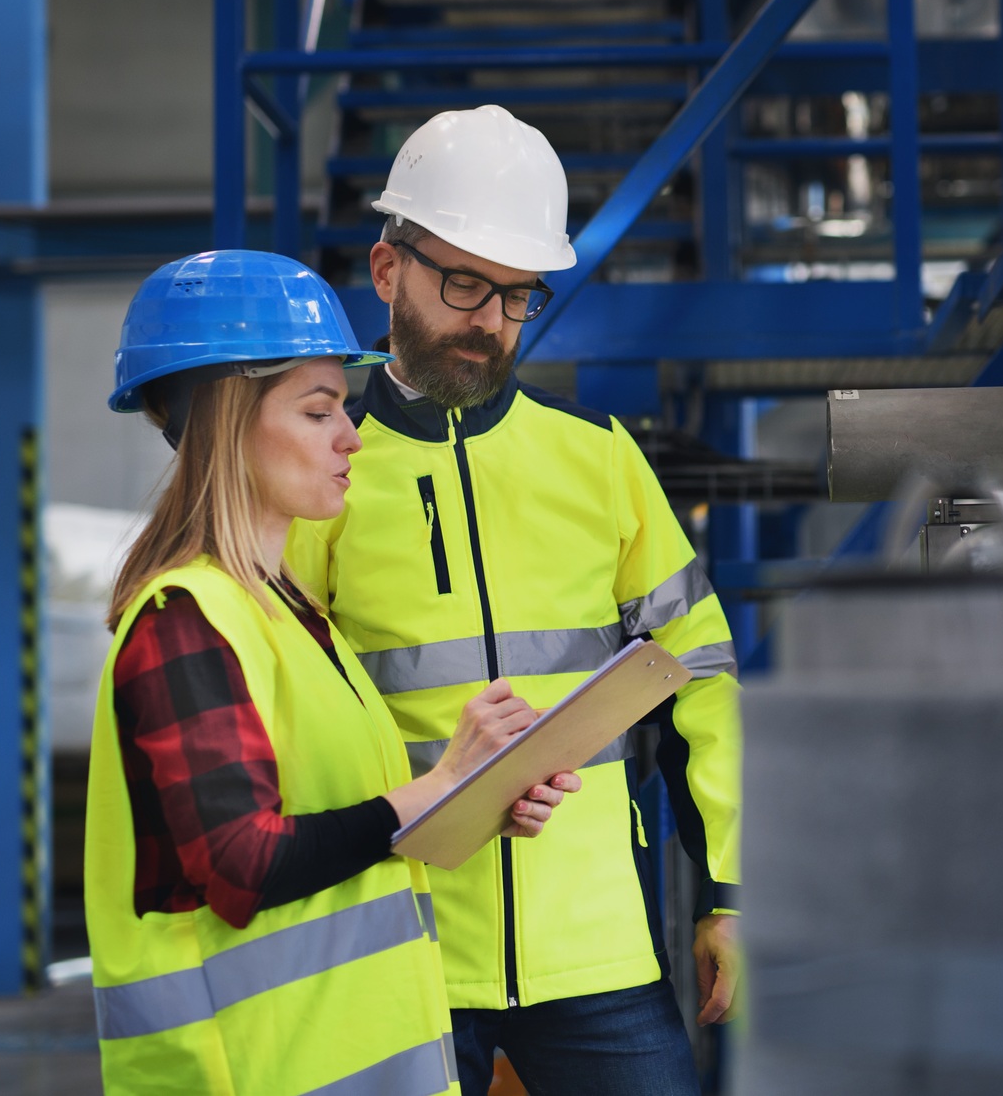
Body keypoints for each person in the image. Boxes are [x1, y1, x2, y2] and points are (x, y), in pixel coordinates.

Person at [286, 106, 742, 1095]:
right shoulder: (322, 483)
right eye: (461, 283)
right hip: (400, 947)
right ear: (384, 270)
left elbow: (701, 679)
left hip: (595, 954)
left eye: (515, 295)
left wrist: (728, 891)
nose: (488, 319)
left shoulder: (602, 466)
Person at [85, 249, 580, 1095]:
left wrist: (471, 797)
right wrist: (433, 790)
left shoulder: (292, 613)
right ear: (228, 423)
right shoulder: (186, 622)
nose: (352, 436)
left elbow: (346, 832)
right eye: (320, 412)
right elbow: (245, 865)